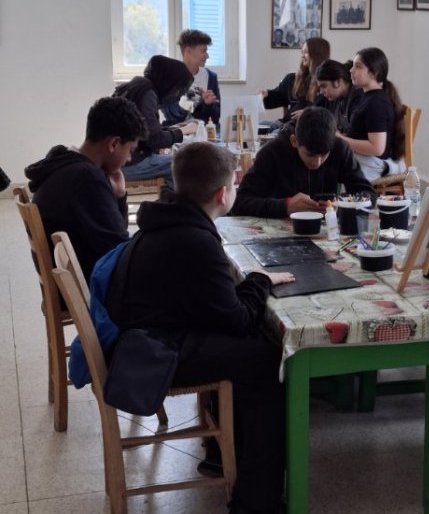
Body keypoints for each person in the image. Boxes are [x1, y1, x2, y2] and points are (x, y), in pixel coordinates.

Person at [107, 142, 292, 514]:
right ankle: (257, 501)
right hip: (157, 355)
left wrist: (247, 286)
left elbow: (214, 304)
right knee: (265, 358)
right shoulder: (195, 240)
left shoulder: (165, 220)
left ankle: (221, 452)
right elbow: (238, 320)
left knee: (246, 344)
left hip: (142, 338)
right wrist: (258, 280)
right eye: (235, 185)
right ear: (223, 194)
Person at [24, 97, 147, 281]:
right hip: (88, 286)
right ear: (114, 143)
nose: (129, 159)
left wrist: (119, 195)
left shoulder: (65, 165)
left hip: (75, 277)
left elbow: (115, 237)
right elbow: (119, 252)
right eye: (130, 151)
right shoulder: (87, 179)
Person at [231, 107, 376, 219]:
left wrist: (344, 206)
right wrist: (285, 206)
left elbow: (368, 194)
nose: (317, 163)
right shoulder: (272, 152)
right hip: (280, 233)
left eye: (324, 155)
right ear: (294, 141)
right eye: (310, 155)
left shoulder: (340, 149)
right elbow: (239, 203)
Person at [114, 55, 199, 183]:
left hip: (119, 162)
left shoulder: (135, 87)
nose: (177, 96)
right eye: (178, 90)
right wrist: (183, 131)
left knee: (176, 162)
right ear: (169, 81)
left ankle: (169, 195)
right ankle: (173, 196)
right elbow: (154, 140)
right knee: (185, 164)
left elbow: (145, 131)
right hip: (129, 165)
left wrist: (173, 129)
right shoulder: (147, 95)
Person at [337, 47, 406, 182]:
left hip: (372, 164)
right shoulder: (368, 97)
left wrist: (341, 139)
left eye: (358, 66)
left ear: (374, 73)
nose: (351, 70)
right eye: (353, 66)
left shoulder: (376, 103)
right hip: (363, 159)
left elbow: (376, 148)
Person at [260, 37, 330, 128]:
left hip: (305, 128)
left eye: (306, 52)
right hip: (286, 124)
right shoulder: (292, 79)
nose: (302, 56)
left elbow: (327, 112)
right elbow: (278, 96)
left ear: (317, 54)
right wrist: (266, 95)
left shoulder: (327, 83)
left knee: (272, 129)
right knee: (260, 123)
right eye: (302, 52)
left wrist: (308, 114)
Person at [161, 29, 221, 127]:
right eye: (203, 51)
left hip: (202, 133)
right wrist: (193, 99)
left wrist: (208, 105)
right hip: (176, 133)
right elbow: (171, 115)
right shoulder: (169, 77)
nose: (207, 56)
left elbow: (216, 117)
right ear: (188, 51)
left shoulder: (211, 77)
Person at [315, 59, 363, 132]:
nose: (321, 92)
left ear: (337, 82)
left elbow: (355, 135)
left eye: (324, 86)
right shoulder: (334, 97)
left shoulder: (358, 97)